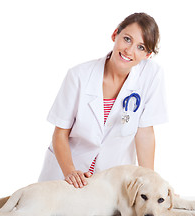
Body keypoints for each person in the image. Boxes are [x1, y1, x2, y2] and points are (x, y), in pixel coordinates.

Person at [38, 12, 168, 188]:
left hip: (111, 181)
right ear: (115, 34)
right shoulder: (78, 76)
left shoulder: (151, 75)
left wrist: (152, 185)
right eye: (127, 39)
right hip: (66, 174)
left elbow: (144, 133)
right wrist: (70, 171)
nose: (130, 51)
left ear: (148, 55)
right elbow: (60, 133)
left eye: (141, 47)